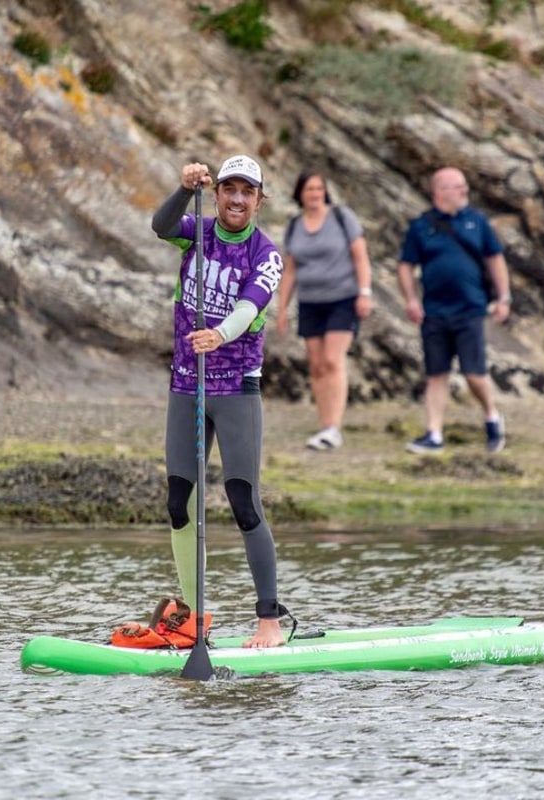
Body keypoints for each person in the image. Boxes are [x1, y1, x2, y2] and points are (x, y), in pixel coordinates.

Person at [150, 154, 287, 649]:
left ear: (258, 200)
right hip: (186, 385)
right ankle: (193, 620)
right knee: (178, 503)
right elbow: (159, 225)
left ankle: (269, 620)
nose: (234, 199)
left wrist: (219, 335)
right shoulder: (197, 231)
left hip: (235, 388)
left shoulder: (265, 254)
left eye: (246, 192)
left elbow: (250, 305)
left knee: (243, 502)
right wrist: (185, 188)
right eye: (228, 188)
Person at [396, 166, 511, 455]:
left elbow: (495, 259)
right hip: (434, 311)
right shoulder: (421, 226)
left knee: (474, 374)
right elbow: (406, 265)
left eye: (464, 186)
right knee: (436, 373)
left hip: (470, 309)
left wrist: (504, 297)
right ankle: (434, 433)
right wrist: (411, 299)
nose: (464, 192)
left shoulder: (477, 221)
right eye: (458, 187)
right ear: (440, 191)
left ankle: (492, 417)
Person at [275, 170, 374, 451]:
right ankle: (325, 424)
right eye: (309, 189)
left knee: (332, 360)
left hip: (343, 298)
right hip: (310, 302)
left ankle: (334, 428)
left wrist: (364, 293)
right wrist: (282, 309)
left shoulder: (343, 217)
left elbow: (361, 257)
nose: (315, 194)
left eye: (319, 188)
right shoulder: (295, 225)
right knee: (317, 366)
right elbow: (290, 270)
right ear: (300, 194)